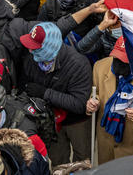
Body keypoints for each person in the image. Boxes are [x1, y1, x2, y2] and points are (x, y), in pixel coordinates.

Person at [19, 22, 93, 166]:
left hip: (76, 122)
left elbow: (79, 104)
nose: (30, 50)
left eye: (35, 47)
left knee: (82, 161)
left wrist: (45, 93)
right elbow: (24, 85)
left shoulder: (78, 64)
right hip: (49, 122)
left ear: (48, 48)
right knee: (57, 161)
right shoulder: (31, 59)